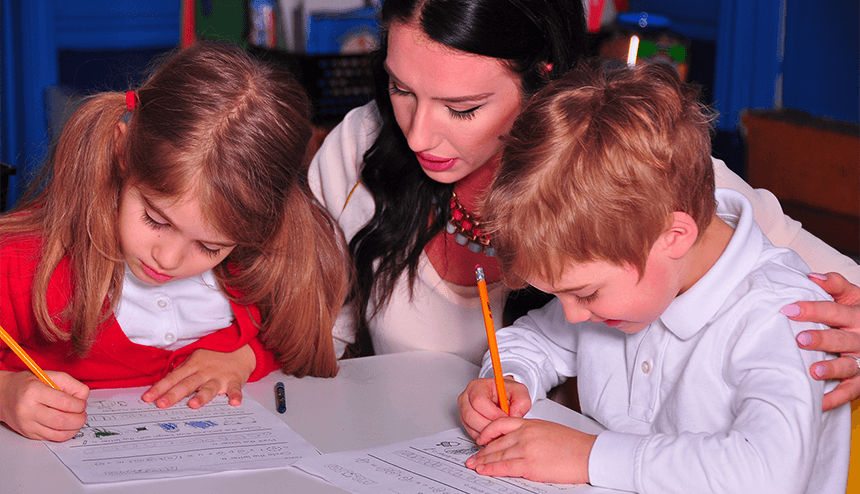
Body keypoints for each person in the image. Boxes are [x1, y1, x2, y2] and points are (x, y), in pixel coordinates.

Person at [309, 0, 860, 406]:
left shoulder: (641, 176)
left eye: (462, 108)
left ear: (541, 75)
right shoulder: (360, 150)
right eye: (402, 89)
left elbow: (827, 281)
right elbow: (316, 339)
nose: (418, 136)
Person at [457, 62, 850, 493]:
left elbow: (768, 473)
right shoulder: (626, 286)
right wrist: (508, 377)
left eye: (585, 293)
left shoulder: (778, 315)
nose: (570, 315)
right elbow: (537, 339)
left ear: (673, 236)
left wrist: (589, 456)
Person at [0, 41, 350, 442]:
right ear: (122, 150)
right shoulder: (30, 261)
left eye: (210, 247)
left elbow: (304, 343)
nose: (167, 258)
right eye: (155, 219)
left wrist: (246, 358)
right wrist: (5, 395)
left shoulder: (265, 264)